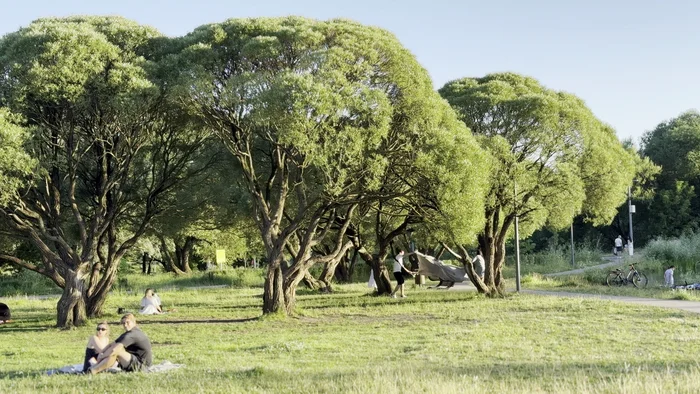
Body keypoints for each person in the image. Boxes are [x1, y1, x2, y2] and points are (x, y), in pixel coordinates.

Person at [88, 313, 153, 374]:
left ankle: (94, 370)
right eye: (123, 323)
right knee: (114, 351)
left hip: (142, 365)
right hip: (134, 360)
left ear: (134, 322)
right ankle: (96, 368)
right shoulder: (128, 333)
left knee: (117, 351)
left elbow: (114, 349)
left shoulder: (132, 334)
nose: (125, 325)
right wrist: (102, 352)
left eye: (128, 322)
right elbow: (111, 344)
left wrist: (102, 356)